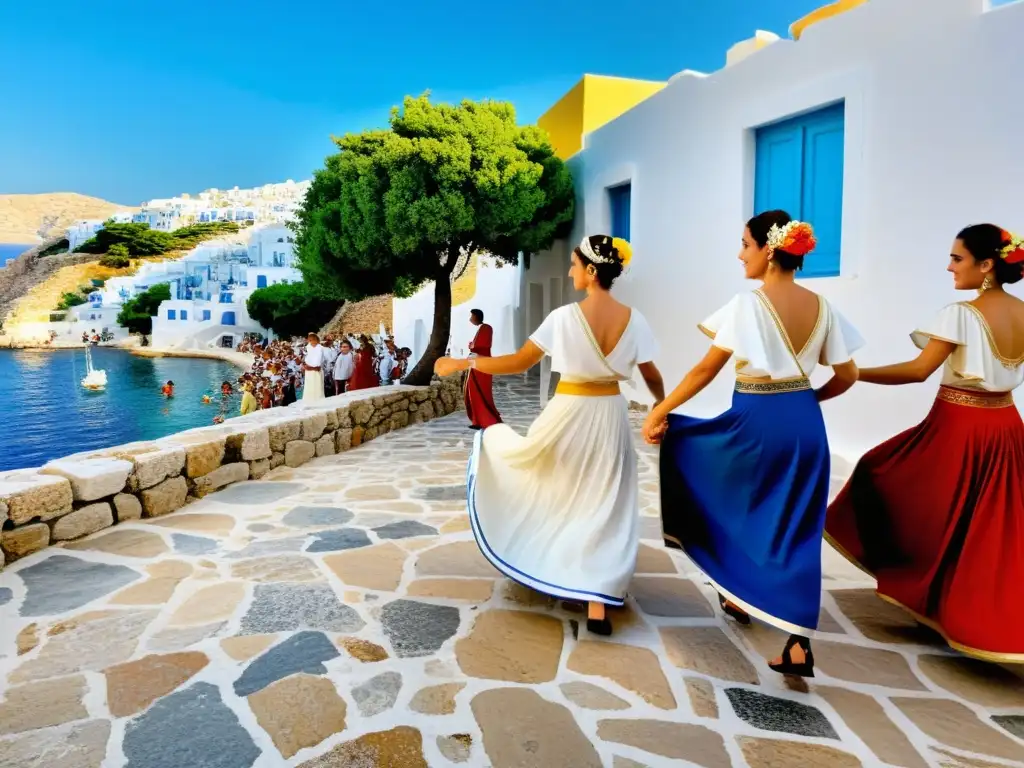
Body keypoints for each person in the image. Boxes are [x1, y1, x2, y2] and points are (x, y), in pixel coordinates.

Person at [643, 211, 862, 677]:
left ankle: (736, 588)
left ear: (768, 249)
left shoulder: (748, 305)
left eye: (745, 244)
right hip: (805, 426)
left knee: (732, 501)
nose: (740, 253)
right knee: (799, 527)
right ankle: (797, 642)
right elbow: (847, 375)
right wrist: (810, 399)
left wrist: (661, 410)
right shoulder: (823, 308)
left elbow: (706, 370)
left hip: (755, 421)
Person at [436, 235, 665, 636]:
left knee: (557, 487)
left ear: (592, 271)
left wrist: (463, 362)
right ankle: (599, 598)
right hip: (611, 413)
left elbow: (519, 361)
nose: (571, 271)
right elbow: (652, 376)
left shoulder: (563, 318)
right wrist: (661, 410)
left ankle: (561, 567)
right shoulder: (636, 319)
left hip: (569, 412)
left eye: (576, 265)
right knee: (604, 499)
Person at [826, 224, 1024, 662]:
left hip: (960, 424)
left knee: (890, 479)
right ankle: (948, 607)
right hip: (1007, 425)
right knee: (983, 522)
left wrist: (857, 374)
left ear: (987, 264)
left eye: (957, 258)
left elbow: (919, 371)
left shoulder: (962, 314)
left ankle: (929, 594)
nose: (949, 266)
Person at [464, 308, 503, 430]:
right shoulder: (482, 328)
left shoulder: (486, 328)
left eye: (472, 316)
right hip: (477, 364)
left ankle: (486, 419)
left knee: (479, 392)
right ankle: (477, 420)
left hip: (482, 365)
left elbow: (482, 344)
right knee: (473, 391)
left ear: (476, 316)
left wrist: (471, 345)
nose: (470, 319)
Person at [302, 332, 326, 402]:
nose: (312, 341)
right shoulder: (307, 347)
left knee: (317, 388)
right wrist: (306, 366)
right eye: (310, 340)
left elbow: (321, 361)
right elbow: (305, 359)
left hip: (317, 370)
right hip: (308, 371)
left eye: (313, 339)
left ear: (317, 340)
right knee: (309, 388)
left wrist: (313, 368)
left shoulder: (320, 348)